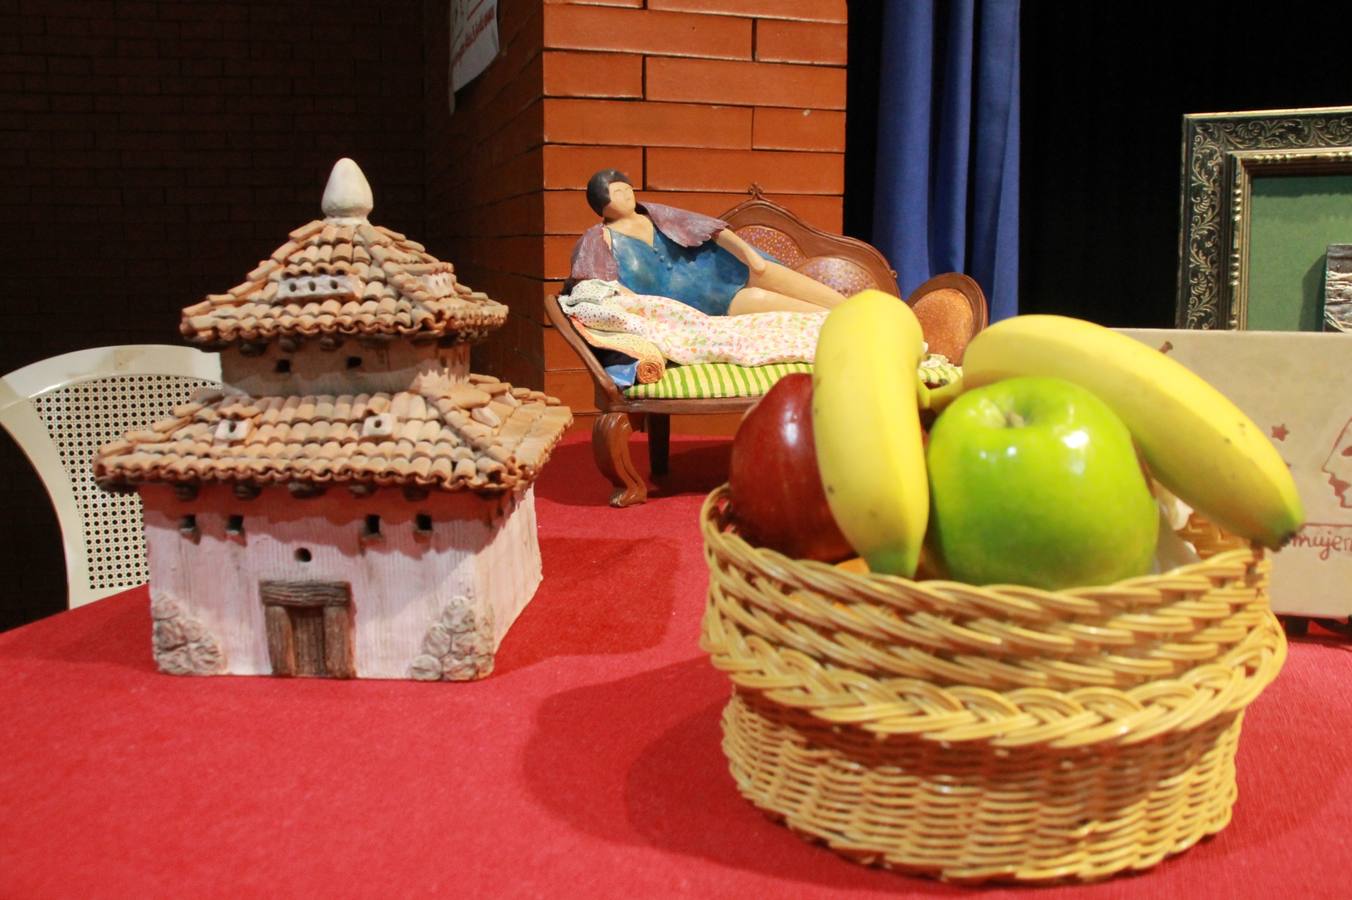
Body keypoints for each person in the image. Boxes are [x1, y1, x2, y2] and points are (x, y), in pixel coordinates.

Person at [568, 169, 845, 316]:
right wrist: (646, 308)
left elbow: (712, 230)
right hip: (704, 304)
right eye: (617, 191)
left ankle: (855, 310)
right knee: (803, 312)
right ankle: (847, 321)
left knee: (780, 278)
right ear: (601, 202)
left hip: (725, 267)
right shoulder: (598, 239)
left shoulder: (657, 214)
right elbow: (597, 285)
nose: (627, 195)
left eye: (628, 189)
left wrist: (749, 255)